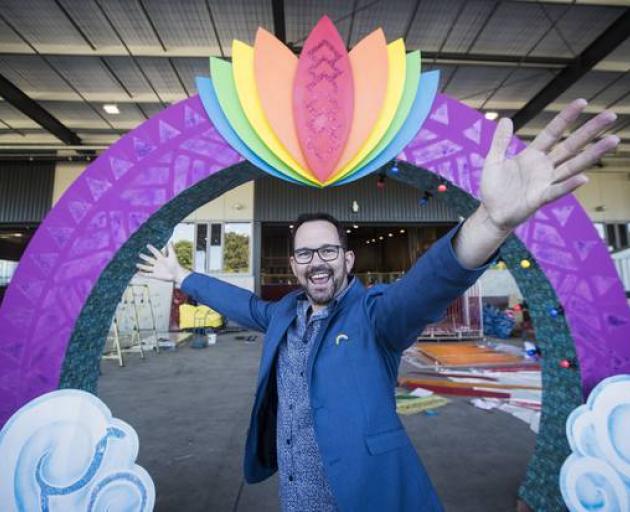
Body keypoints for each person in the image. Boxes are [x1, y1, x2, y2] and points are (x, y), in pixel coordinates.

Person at [137, 101, 619, 511]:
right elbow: (240, 302)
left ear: (347, 258)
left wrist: (490, 222)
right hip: (297, 494)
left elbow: (429, 284)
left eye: (328, 251)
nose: (317, 263)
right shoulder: (283, 314)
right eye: (305, 254)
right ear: (294, 264)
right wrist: (183, 276)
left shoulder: (376, 317)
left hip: (364, 495)